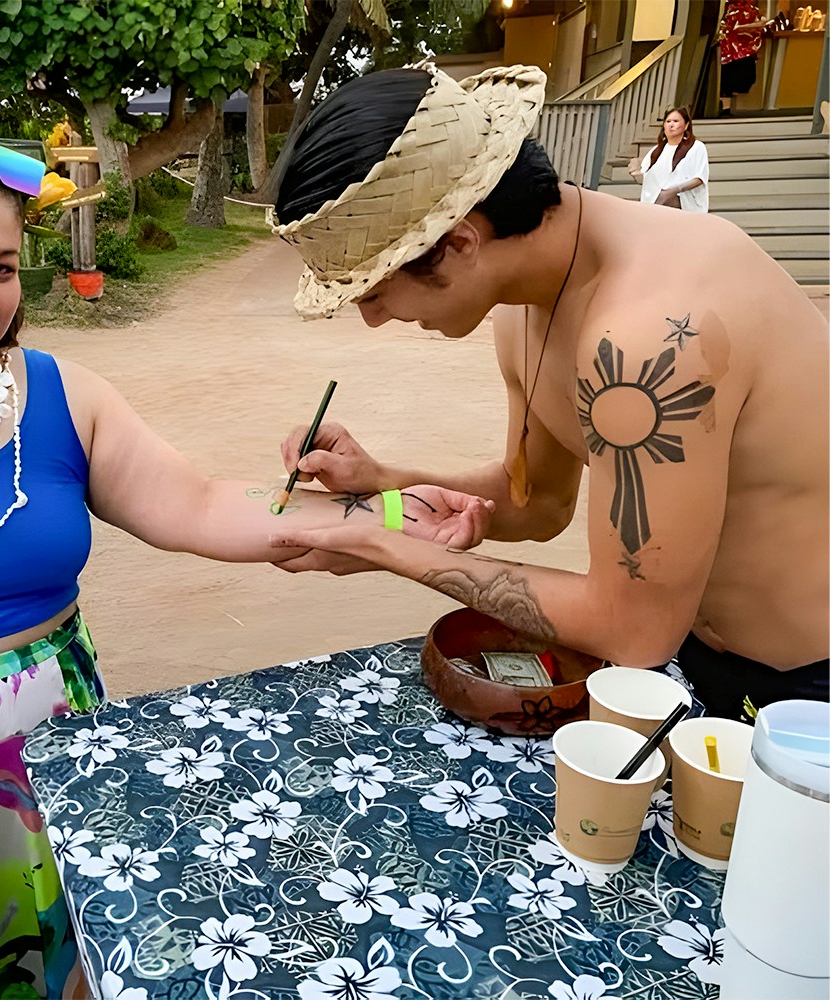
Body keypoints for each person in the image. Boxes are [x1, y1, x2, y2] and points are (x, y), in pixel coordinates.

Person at [0, 122, 493, 998]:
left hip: (52, 772)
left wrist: (383, 511)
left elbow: (199, 504)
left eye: (1, 267)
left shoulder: (61, 395)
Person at [265, 64, 828, 723]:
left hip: (811, 685)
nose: (372, 319)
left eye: (376, 291)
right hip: (706, 660)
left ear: (459, 242)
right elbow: (536, 502)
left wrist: (380, 544)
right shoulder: (525, 301)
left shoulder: (651, 336)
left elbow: (634, 629)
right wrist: (384, 483)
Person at [629, 107, 709, 212]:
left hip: (684, 200)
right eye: (668, 121)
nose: (671, 124)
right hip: (656, 201)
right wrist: (635, 169)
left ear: (686, 125)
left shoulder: (696, 147)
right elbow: (644, 178)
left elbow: (700, 178)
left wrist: (674, 190)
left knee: (664, 201)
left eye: (675, 121)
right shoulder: (656, 151)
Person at [717, 0, 769, 117]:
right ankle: (725, 107)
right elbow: (735, 27)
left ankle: (725, 107)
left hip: (741, 48)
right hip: (734, 47)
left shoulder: (748, 9)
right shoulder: (731, 9)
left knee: (732, 77)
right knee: (729, 77)